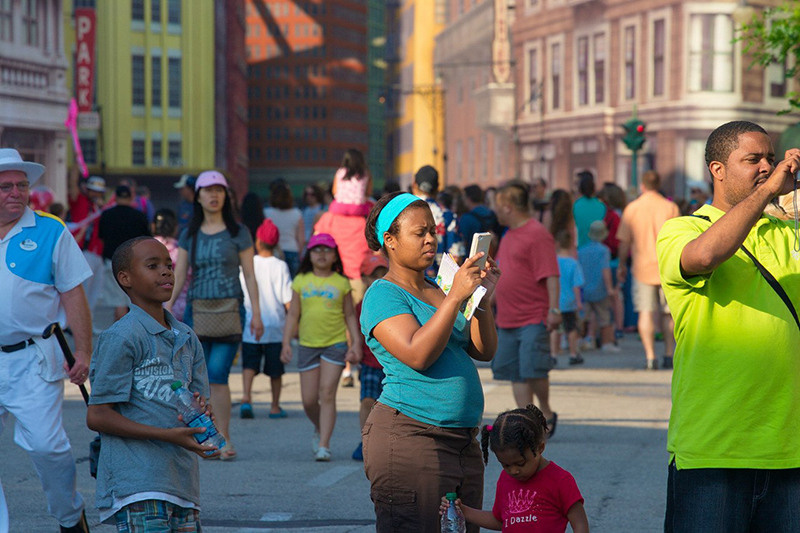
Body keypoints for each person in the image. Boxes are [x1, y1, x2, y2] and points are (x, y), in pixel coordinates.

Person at [657, 121, 800, 532]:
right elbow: (703, 257)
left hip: (788, 452)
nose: (766, 167)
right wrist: (768, 192)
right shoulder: (684, 229)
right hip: (713, 452)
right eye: (752, 159)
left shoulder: (785, 232)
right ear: (717, 169)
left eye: (770, 159)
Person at [360, 191, 500, 532]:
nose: (430, 240)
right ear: (390, 241)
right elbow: (418, 353)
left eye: (433, 232)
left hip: (462, 441)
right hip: (413, 437)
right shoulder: (383, 293)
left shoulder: (439, 287)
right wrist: (455, 297)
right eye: (419, 232)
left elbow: (484, 351)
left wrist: (480, 299)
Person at [86, 236, 215, 531]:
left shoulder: (186, 336)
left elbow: (200, 402)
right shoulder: (122, 336)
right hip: (139, 483)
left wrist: (202, 420)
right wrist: (168, 435)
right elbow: (98, 415)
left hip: (182, 484)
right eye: (153, 266)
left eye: (168, 265)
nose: (166, 271)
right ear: (125, 278)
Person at [0, 148, 92, 533]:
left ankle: (70, 517)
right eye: (6, 186)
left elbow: (73, 293)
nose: (16, 193)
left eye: (22, 185)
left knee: (47, 447)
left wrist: (84, 350)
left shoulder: (51, 230)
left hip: (33, 359)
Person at [167, 170, 264, 462]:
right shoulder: (190, 234)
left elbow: (249, 274)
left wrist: (257, 313)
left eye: (219, 190)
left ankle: (223, 437)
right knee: (199, 380)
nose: (213, 195)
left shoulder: (239, 232)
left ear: (226, 196)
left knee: (219, 375)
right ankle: (205, 435)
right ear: (197, 196)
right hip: (196, 313)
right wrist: (165, 309)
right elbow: (180, 273)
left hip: (230, 311)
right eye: (207, 191)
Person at [439, 405, 589, 532]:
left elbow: (579, 522)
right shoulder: (505, 479)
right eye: (506, 465)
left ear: (540, 448)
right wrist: (464, 511)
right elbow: (500, 520)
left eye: (521, 463)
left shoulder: (560, 479)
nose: (514, 471)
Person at [280, 233, 362, 462]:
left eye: (327, 250)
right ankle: (319, 426)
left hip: (335, 345)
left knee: (327, 394)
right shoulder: (301, 280)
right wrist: (286, 342)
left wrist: (355, 343)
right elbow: (293, 313)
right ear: (310, 254)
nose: (322, 254)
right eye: (317, 250)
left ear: (335, 255)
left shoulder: (341, 282)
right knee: (308, 400)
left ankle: (324, 444)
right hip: (307, 345)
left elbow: (348, 315)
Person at [491, 181, 561, 435]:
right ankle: (528, 420)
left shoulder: (537, 233)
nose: (494, 211)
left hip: (533, 315)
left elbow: (551, 275)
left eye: (496, 206)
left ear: (507, 206)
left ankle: (545, 410)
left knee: (534, 368)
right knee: (515, 371)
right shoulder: (509, 235)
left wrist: (554, 309)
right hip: (507, 317)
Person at [617, 170, 680, 370]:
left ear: (643, 186)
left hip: (641, 267)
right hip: (666, 265)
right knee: (667, 314)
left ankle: (650, 356)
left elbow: (624, 242)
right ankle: (669, 354)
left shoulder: (632, 208)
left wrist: (621, 265)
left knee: (645, 311)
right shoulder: (670, 207)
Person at [239, 218, 292, 420]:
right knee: (275, 371)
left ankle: (246, 398)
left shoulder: (248, 264)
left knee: (249, 366)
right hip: (275, 327)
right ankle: (275, 406)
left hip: (250, 325)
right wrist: (293, 323)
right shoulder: (280, 266)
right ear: (276, 243)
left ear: (258, 242)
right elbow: (287, 300)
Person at [351, 253, 389, 461]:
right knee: (367, 400)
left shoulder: (393, 301)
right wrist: (353, 348)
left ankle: (384, 442)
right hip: (368, 362)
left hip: (390, 363)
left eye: (383, 274)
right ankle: (365, 440)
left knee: (389, 407)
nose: (378, 280)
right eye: (373, 276)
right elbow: (354, 331)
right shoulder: (360, 305)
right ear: (364, 279)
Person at [98, 185, 151, 321]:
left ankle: (122, 335)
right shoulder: (139, 216)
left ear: (115, 197)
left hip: (112, 260)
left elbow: (101, 236)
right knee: (133, 298)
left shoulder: (106, 215)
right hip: (135, 262)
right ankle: (133, 332)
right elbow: (147, 239)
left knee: (118, 301)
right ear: (131, 197)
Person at [67, 172, 106, 323]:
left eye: (99, 192)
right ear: (87, 190)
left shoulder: (99, 207)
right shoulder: (79, 201)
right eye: (94, 191)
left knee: (95, 291)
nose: (97, 194)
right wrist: (76, 167)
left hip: (97, 253)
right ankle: (76, 322)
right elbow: (72, 186)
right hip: (82, 252)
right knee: (82, 290)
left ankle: (89, 321)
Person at [412, 165, 464, 276]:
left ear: (414, 185)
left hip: (409, 283)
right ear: (438, 188)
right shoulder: (448, 216)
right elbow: (456, 256)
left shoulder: (405, 213)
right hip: (438, 286)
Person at [577, 221, 619, 353]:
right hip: (600, 289)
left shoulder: (581, 251)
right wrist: (609, 288)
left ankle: (583, 340)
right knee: (604, 317)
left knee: (585, 317)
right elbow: (605, 270)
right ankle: (606, 343)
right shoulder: (604, 251)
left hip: (585, 288)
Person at [552, 230, 584, 366]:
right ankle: (573, 353)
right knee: (571, 329)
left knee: (555, 329)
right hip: (569, 302)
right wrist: (579, 302)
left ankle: (553, 354)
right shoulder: (573, 263)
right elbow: (576, 285)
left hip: (556, 301)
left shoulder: (553, 261)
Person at [152, 208, 188, 321]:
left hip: (152, 305)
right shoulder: (182, 249)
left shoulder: (145, 249)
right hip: (182, 305)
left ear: (153, 226)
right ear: (176, 228)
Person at [264, 182, 304, 277]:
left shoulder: (266, 213)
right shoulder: (297, 213)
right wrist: (299, 253)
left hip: (272, 252)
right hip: (292, 250)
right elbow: (301, 239)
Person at [328, 148, 373, 217]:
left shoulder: (340, 172)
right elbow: (368, 193)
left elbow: (334, 191)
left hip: (338, 207)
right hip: (358, 208)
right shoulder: (365, 173)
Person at [459, 184, 501, 249]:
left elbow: (462, 241)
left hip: (472, 254)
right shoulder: (492, 214)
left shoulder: (466, 218)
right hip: (492, 255)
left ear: (468, 198)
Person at [572, 171, 606, 249]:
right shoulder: (601, 206)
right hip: (599, 248)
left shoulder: (576, 206)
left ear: (580, 189)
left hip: (581, 247)